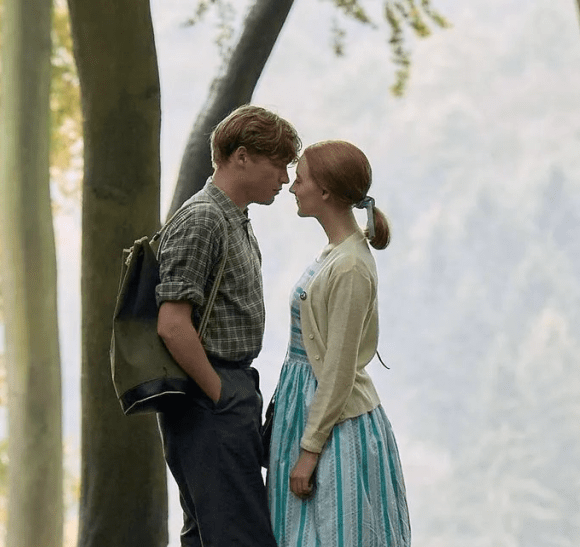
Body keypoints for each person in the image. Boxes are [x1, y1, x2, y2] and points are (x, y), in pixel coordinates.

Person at [156, 104, 300, 547]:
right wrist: (218, 393)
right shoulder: (203, 218)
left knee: (209, 535)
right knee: (240, 536)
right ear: (241, 157)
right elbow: (172, 323)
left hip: (229, 390)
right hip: (210, 397)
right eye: (277, 165)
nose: (285, 179)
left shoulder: (232, 217)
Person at [267, 139, 411, 546]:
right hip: (305, 407)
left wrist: (310, 450)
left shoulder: (349, 267)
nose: (293, 188)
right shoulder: (335, 253)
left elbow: (339, 368)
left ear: (326, 191)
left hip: (334, 424)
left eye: (301, 180)